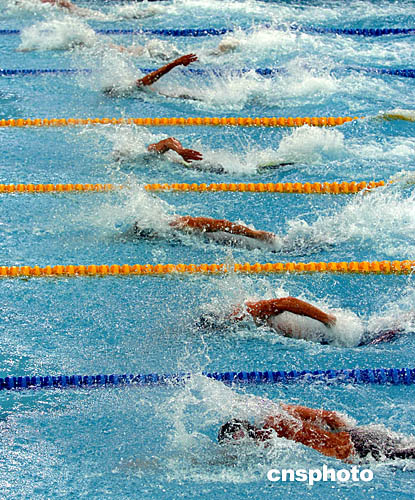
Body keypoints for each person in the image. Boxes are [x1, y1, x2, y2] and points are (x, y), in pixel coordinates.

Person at [218, 403, 415, 462]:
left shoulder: (277, 435)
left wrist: (346, 455)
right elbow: (332, 417)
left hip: (361, 449)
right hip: (364, 433)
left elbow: (335, 450)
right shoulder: (278, 413)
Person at [227, 296, 405, 346]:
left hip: (334, 332)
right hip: (322, 338)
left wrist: (325, 319)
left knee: (391, 332)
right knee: (380, 334)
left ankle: (407, 319)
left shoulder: (248, 311)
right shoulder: (243, 323)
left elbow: (287, 302)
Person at [146, 137, 295, 172]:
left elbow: (168, 141)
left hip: (194, 165)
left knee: (247, 170)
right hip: (192, 167)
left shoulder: (147, 151)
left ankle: (285, 164)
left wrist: (180, 151)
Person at [134, 215, 280, 251]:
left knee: (279, 247)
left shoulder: (177, 224)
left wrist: (254, 234)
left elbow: (220, 224)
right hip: (217, 241)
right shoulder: (164, 233)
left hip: (236, 238)